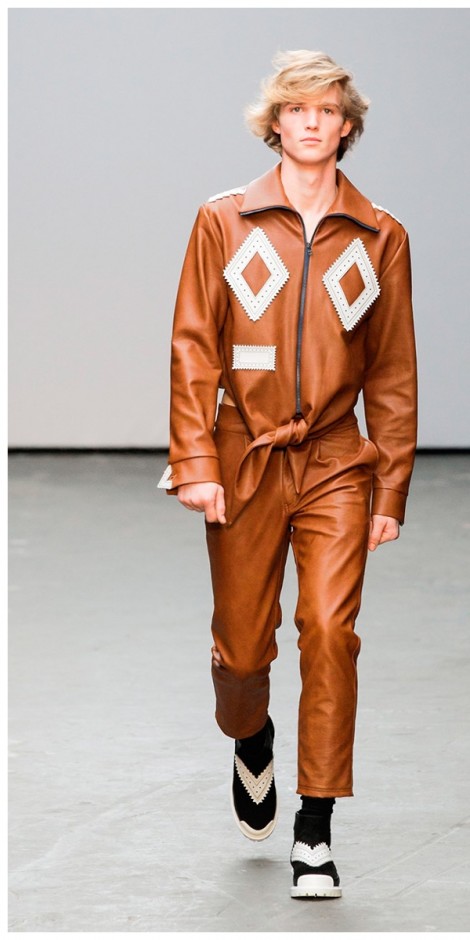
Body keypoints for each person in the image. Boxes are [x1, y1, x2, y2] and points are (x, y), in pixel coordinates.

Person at [159, 49, 417, 899]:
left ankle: (316, 828)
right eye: (296, 109)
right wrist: (196, 460)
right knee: (241, 651)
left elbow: (393, 371)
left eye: (327, 110)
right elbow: (194, 346)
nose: (311, 122)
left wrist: (390, 486)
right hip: (245, 454)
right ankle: (252, 734)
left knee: (331, 631)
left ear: (347, 127)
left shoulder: (379, 236)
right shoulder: (225, 221)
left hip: (338, 458)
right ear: (275, 124)